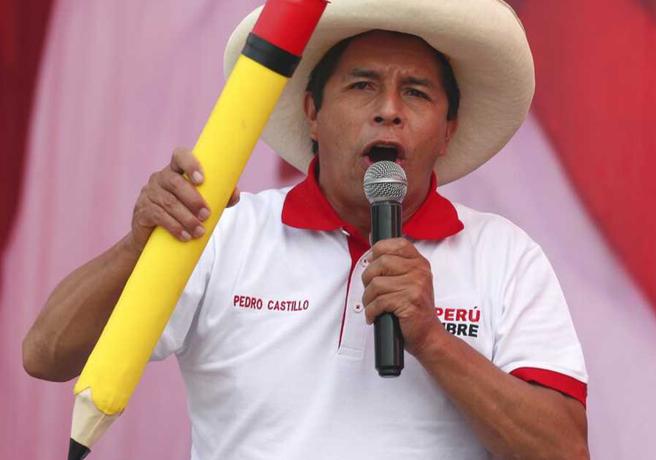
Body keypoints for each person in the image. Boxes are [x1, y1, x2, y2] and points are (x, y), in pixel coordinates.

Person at [22, 1, 590, 458]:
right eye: (362, 86)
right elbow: (46, 355)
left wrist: (432, 339)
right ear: (312, 112)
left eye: (416, 92)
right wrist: (137, 245)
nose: (389, 110)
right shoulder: (226, 233)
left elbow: (565, 451)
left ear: (447, 131)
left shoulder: (505, 255)